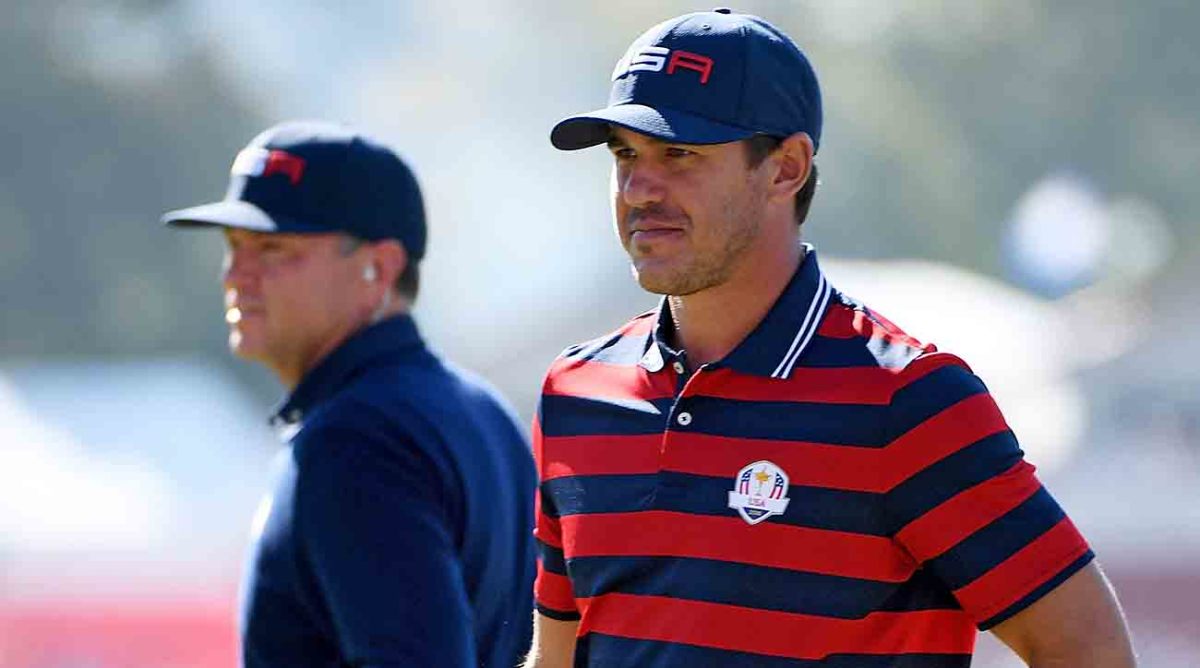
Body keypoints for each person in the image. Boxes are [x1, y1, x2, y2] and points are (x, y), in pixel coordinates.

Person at [525, 9, 1136, 668]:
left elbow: (1088, 649)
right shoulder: (576, 393)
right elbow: (554, 657)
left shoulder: (908, 400)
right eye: (624, 154)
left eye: (679, 154)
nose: (639, 189)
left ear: (786, 168)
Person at [163, 120, 536, 668]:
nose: (236, 275)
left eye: (272, 247)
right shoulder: (482, 410)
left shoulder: (355, 440)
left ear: (378, 268)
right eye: (234, 245)